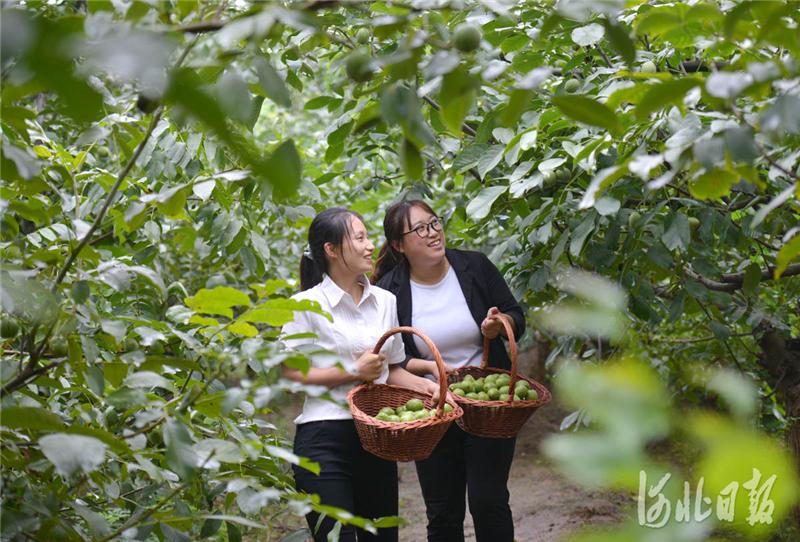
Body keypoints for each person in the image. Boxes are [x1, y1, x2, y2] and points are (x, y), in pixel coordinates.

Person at [281, 207, 438, 542]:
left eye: (368, 237)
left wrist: (430, 388)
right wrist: (352, 370)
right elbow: (291, 372)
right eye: (360, 237)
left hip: (375, 438)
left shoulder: (385, 301)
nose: (370, 246)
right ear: (331, 249)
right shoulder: (303, 306)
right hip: (323, 439)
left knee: (381, 537)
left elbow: (392, 370)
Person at [372, 200, 525, 542]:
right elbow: (394, 358)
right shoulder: (389, 292)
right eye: (420, 229)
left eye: (435, 223)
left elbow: (516, 315)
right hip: (432, 408)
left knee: (489, 501)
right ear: (399, 244)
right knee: (442, 511)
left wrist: (497, 325)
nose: (433, 233)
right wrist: (428, 370)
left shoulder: (474, 266)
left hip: (488, 405)